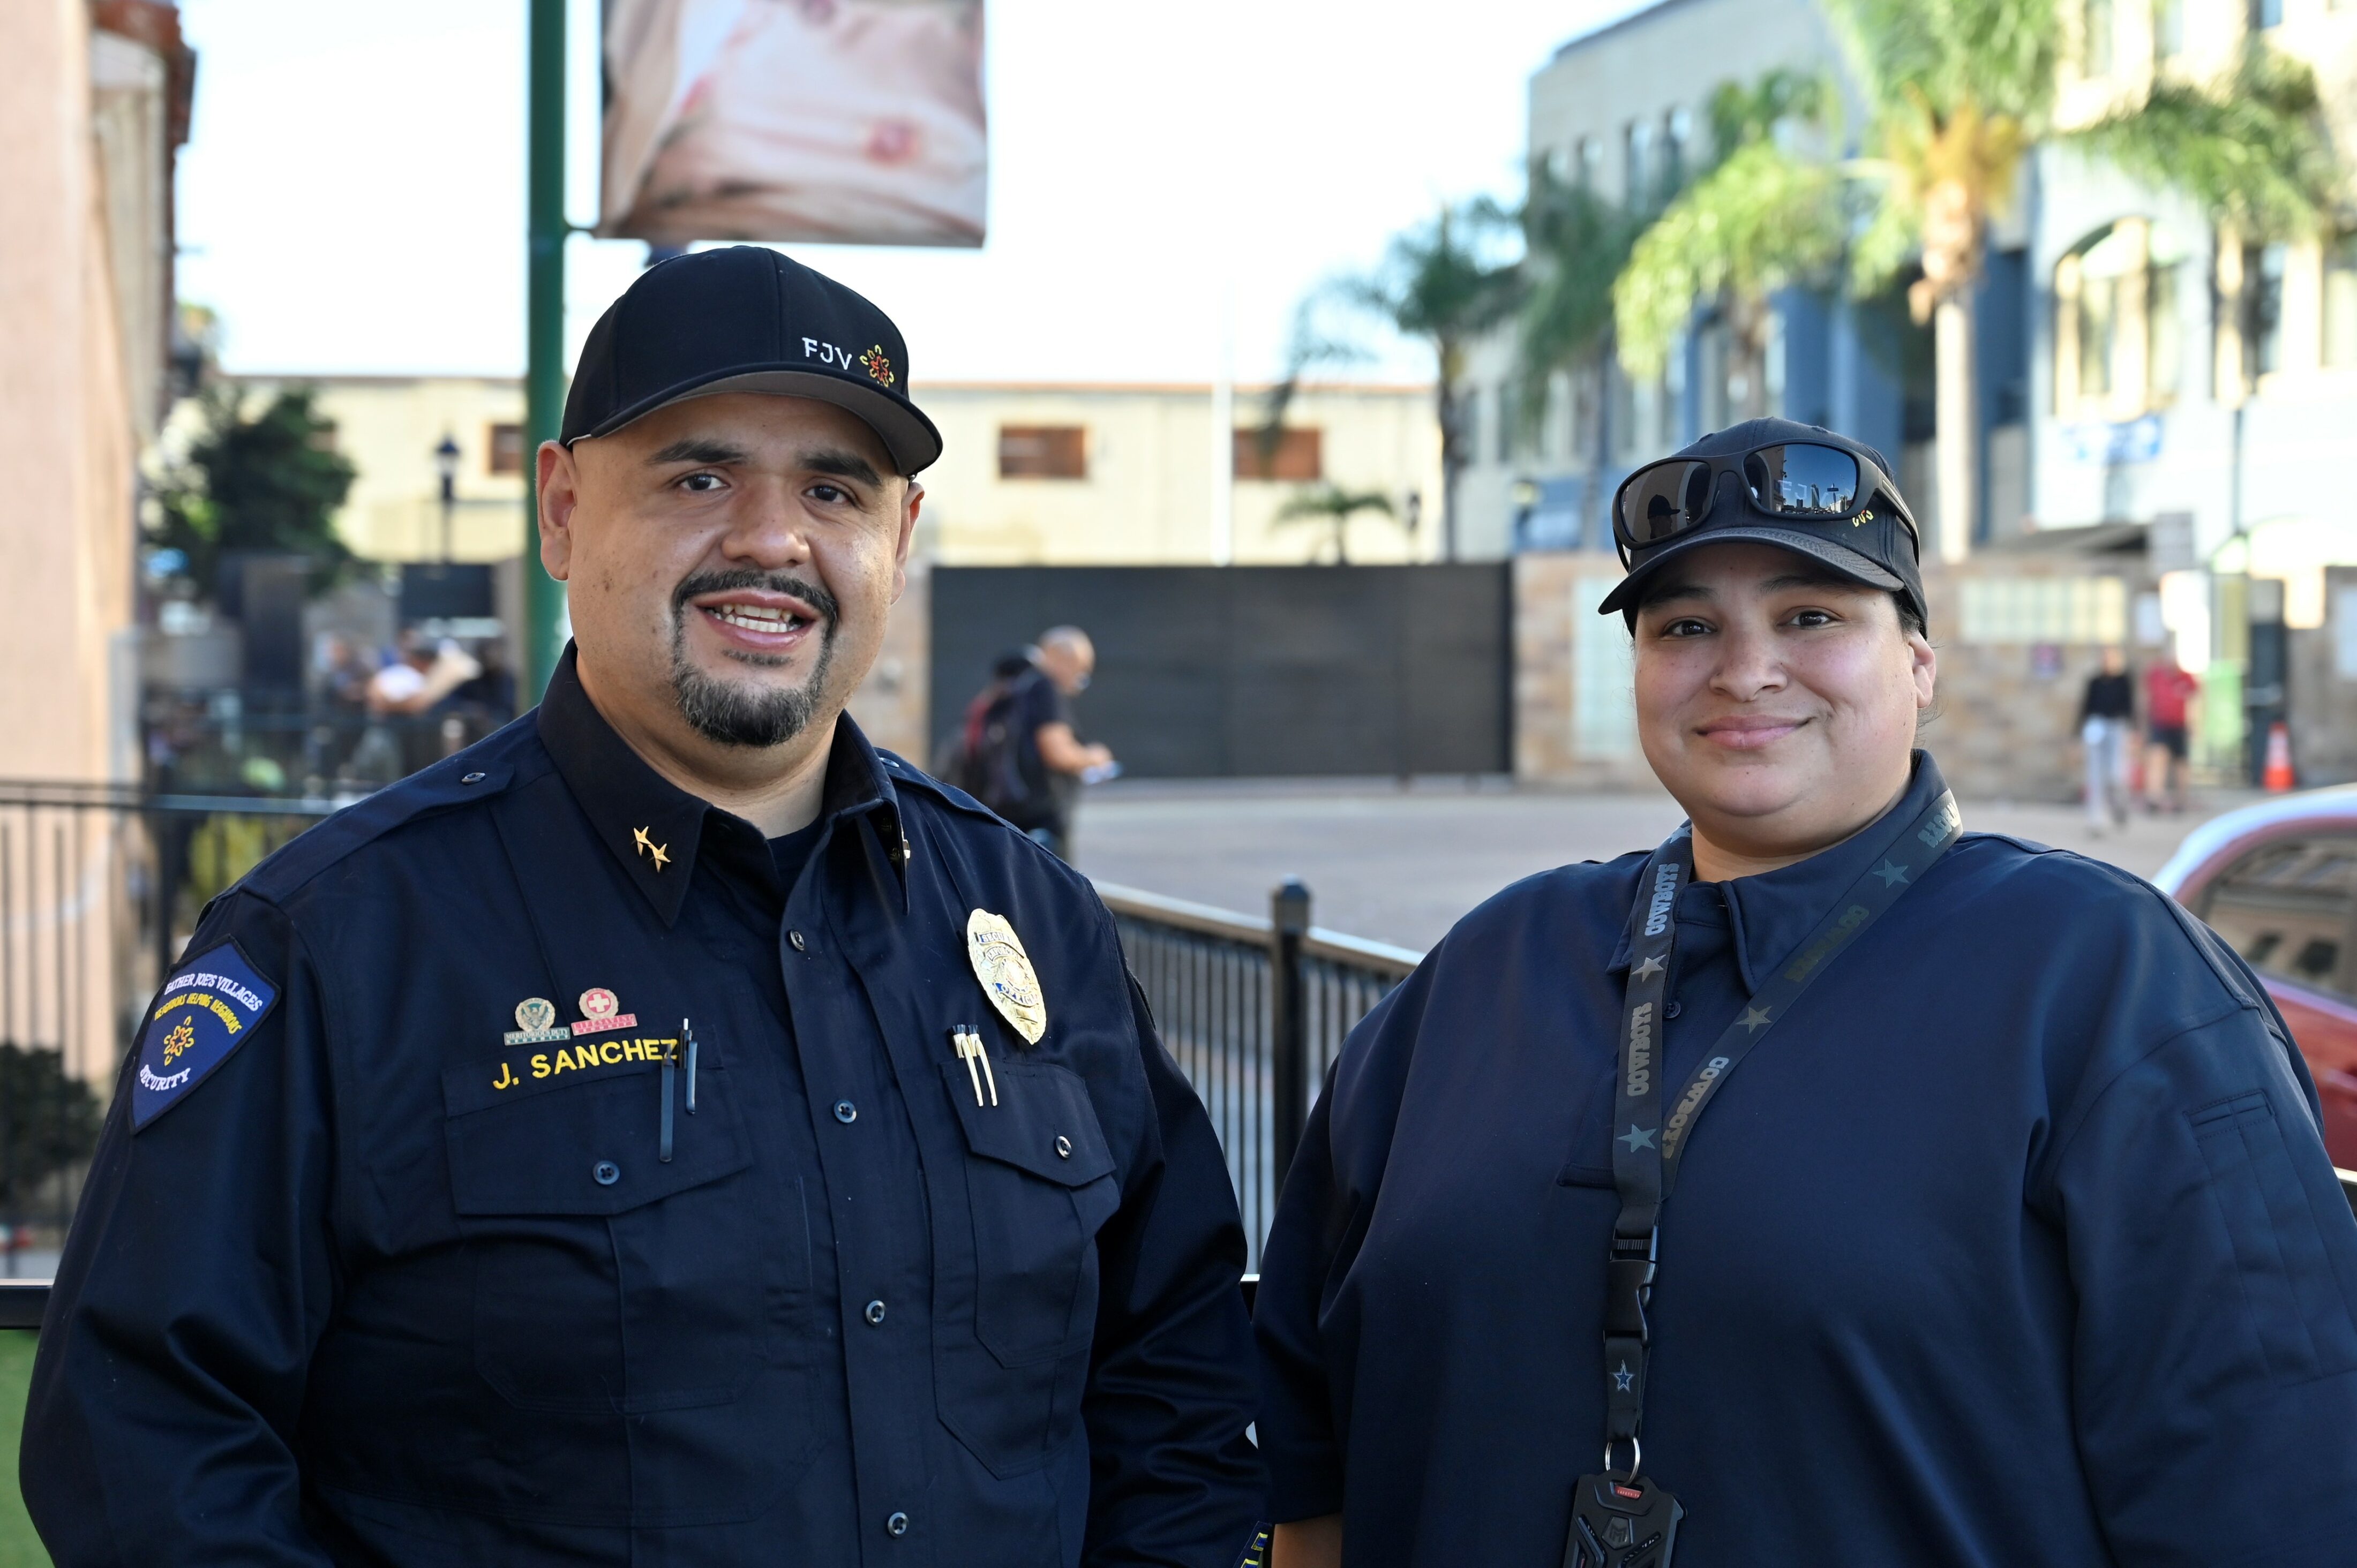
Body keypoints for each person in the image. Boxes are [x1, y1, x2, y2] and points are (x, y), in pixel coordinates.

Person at [26, 246, 1265, 1566]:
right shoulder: (337, 943)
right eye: (697, 475)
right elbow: (145, 1443)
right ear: (560, 509)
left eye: (832, 489)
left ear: (894, 540)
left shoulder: (1035, 922)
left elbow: (1175, 1380)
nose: (771, 540)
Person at [1253, 418, 2357, 1568]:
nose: (1745, 668)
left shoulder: (2111, 983)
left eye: (1810, 616)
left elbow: (2276, 1485)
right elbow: (1309, 1453)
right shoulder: (1486, 973)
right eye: (1686, 627)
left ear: (1918, 666)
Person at [953, 627, 1115, 860]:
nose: (1079, 682)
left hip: (1005, 808)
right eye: (1080, 671)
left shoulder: (1009, 686)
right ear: (1063, 658)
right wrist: (1095, 757)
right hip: (1042, 813)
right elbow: (1057, 752)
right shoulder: (1044, 688)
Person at [2077, 645, 2133, 833]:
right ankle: (2097, 820)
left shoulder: (2124, 681)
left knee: (2116, 774)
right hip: (2097, 726)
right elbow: (2085, 707)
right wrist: (2076, 733)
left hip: (2117, 727)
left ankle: (2120, 806)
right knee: (2095, 775)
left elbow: (2130, 707)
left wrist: (2135, 731)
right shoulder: (2094, 681)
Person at [2144, 655, 2201, 812]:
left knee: (2181, 763)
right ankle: (2154, 798)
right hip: (2160, 724)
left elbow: (2195, 701)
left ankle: (2181, 799)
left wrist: (2194, 725)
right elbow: (2147, 698)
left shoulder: (2187, 678)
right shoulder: (2156, 675)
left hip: (2180, 726)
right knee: (2157, 758)